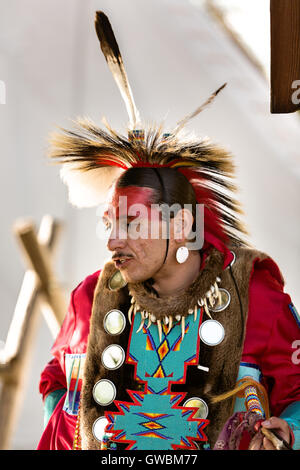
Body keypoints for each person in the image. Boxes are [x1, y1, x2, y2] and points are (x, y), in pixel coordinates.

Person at [37, 12, 300, 451]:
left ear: (181, 225)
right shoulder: (88, 299)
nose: (113, 240)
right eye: (110, 222)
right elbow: (54, 383)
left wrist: (288, 432)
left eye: (132, 222)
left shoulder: (259, 300)